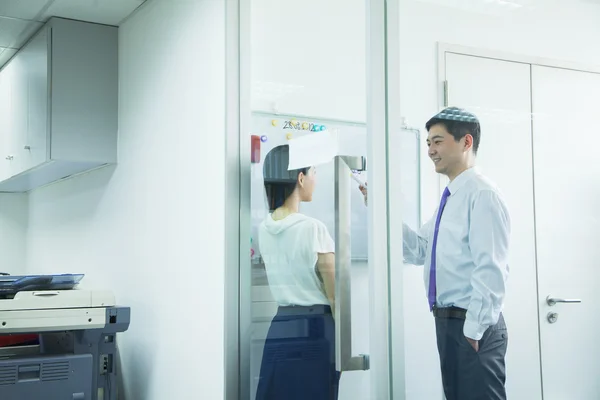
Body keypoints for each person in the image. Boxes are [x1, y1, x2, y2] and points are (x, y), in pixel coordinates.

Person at [359, 107, 510, 400]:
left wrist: (474, 330)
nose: (430, 150)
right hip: (449, 322)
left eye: (437, 141)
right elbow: (418, 250)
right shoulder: (452, 197)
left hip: (472, 324)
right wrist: (381, 208)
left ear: (466, 142)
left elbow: (491, 269)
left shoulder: (482, 194)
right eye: (428, 142)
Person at [255, 144, 340, 400]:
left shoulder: (264, 228)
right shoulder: (313, 228)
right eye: (313, 171)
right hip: (315, 328)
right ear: (300, 178)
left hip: (281, 325)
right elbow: (336, 295)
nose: (316, 178)